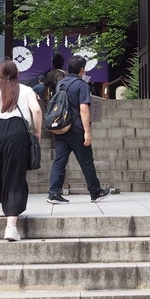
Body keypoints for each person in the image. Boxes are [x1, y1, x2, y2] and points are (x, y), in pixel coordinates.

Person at [0, 58, 41, 241]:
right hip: (17, 133)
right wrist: (37, 132)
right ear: (18, 74)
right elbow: (36, 111)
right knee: (14, 176)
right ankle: (11, 227)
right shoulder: (27, 91)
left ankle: (2, 208)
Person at [46, 56, 110, 203]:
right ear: (82, 70)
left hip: (61, 127)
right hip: (76, 129)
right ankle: (95, 192)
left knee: (59, 161)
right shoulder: (82, 85)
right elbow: (84, 109)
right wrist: (87, 131)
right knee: (86, 161)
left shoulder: (60, 83)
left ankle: (54, 193)